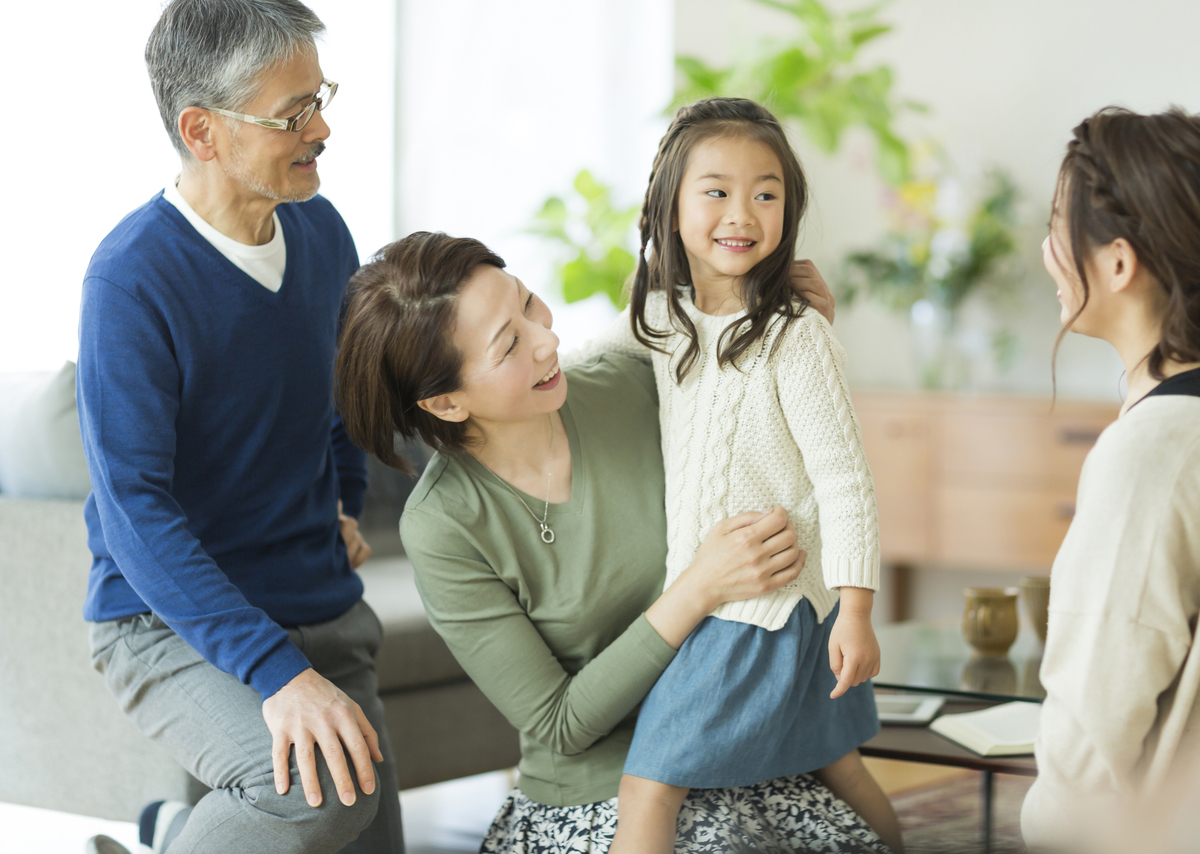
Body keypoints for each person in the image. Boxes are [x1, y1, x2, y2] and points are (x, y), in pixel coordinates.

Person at [332, 231, 891, 852]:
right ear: (445, 401)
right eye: (511, 343)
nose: (547, 339)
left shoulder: (632, 384)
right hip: (596, 792)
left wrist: (792, 336)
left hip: (733, 737)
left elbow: (777, 427)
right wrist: (699, 588)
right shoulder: (444, 525)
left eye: (528, 302)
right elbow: (558, 723)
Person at [78, 2, 401, 853]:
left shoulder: (323, 233)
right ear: (203, 130)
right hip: (168, 624)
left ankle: (181, 836)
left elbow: (341, 395)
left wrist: (346, 498)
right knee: (312, 797)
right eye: (293, 113)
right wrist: (278, 673)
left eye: (320, 97)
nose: (322, 127)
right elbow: (133, 510)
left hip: (317, 600)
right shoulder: (131, 280)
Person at [568, 97, 901, 854]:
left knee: (647, 786)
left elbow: (847, 481)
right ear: (669, 206)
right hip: (708, 596)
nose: (741, 211)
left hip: (767, 610)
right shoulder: (658, 316)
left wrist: (857, 610)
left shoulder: (797, 336)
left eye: (766, 192)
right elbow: (571, 373)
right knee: (836, 765)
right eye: (715, 190)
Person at [1021, 107, 1200, 850]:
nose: (1046, 251)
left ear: (1118, 263)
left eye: (1056, 226)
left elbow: (1084, 759)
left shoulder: (1152, 458)